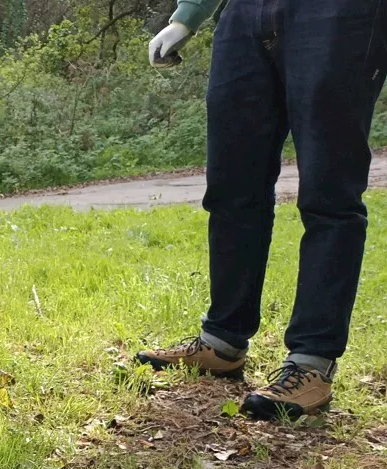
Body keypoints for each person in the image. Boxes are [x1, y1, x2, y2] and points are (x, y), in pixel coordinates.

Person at [138, 0, 387, 419]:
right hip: (244, 11)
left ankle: (311, 361)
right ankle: (223, 339)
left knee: (329, 192)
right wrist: (187, 16)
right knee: (233, 183)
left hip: (342, 13)